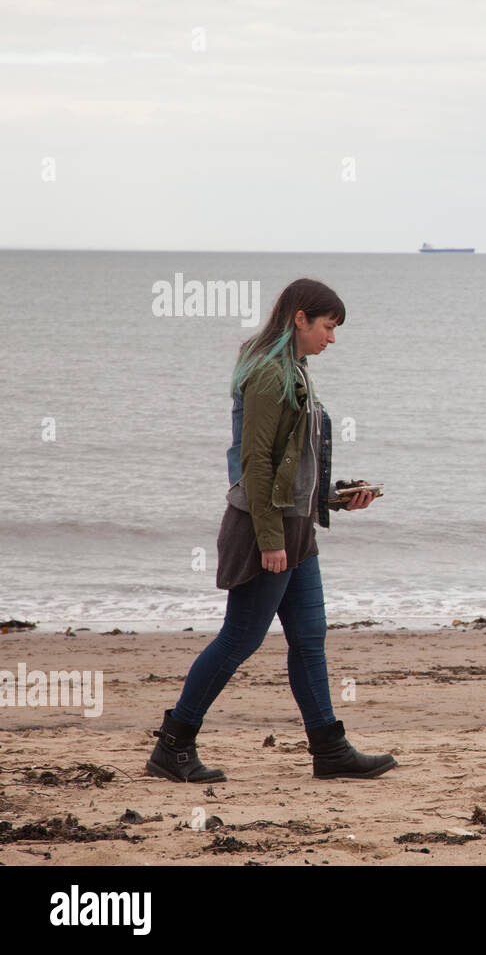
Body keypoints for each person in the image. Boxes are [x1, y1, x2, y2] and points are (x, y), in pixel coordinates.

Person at [145, 277, 397, 782]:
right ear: (300, 318)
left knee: (308, 638)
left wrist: (336, 497)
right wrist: (271, 540)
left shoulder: (294, 370)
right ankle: (173, 745)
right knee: (240, 639)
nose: (332, 338)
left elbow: (290, 465)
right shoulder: (268, 374)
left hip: (295, 527)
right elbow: (256, 464)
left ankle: (330, 749)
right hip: (268, 529)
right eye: (328, 327)